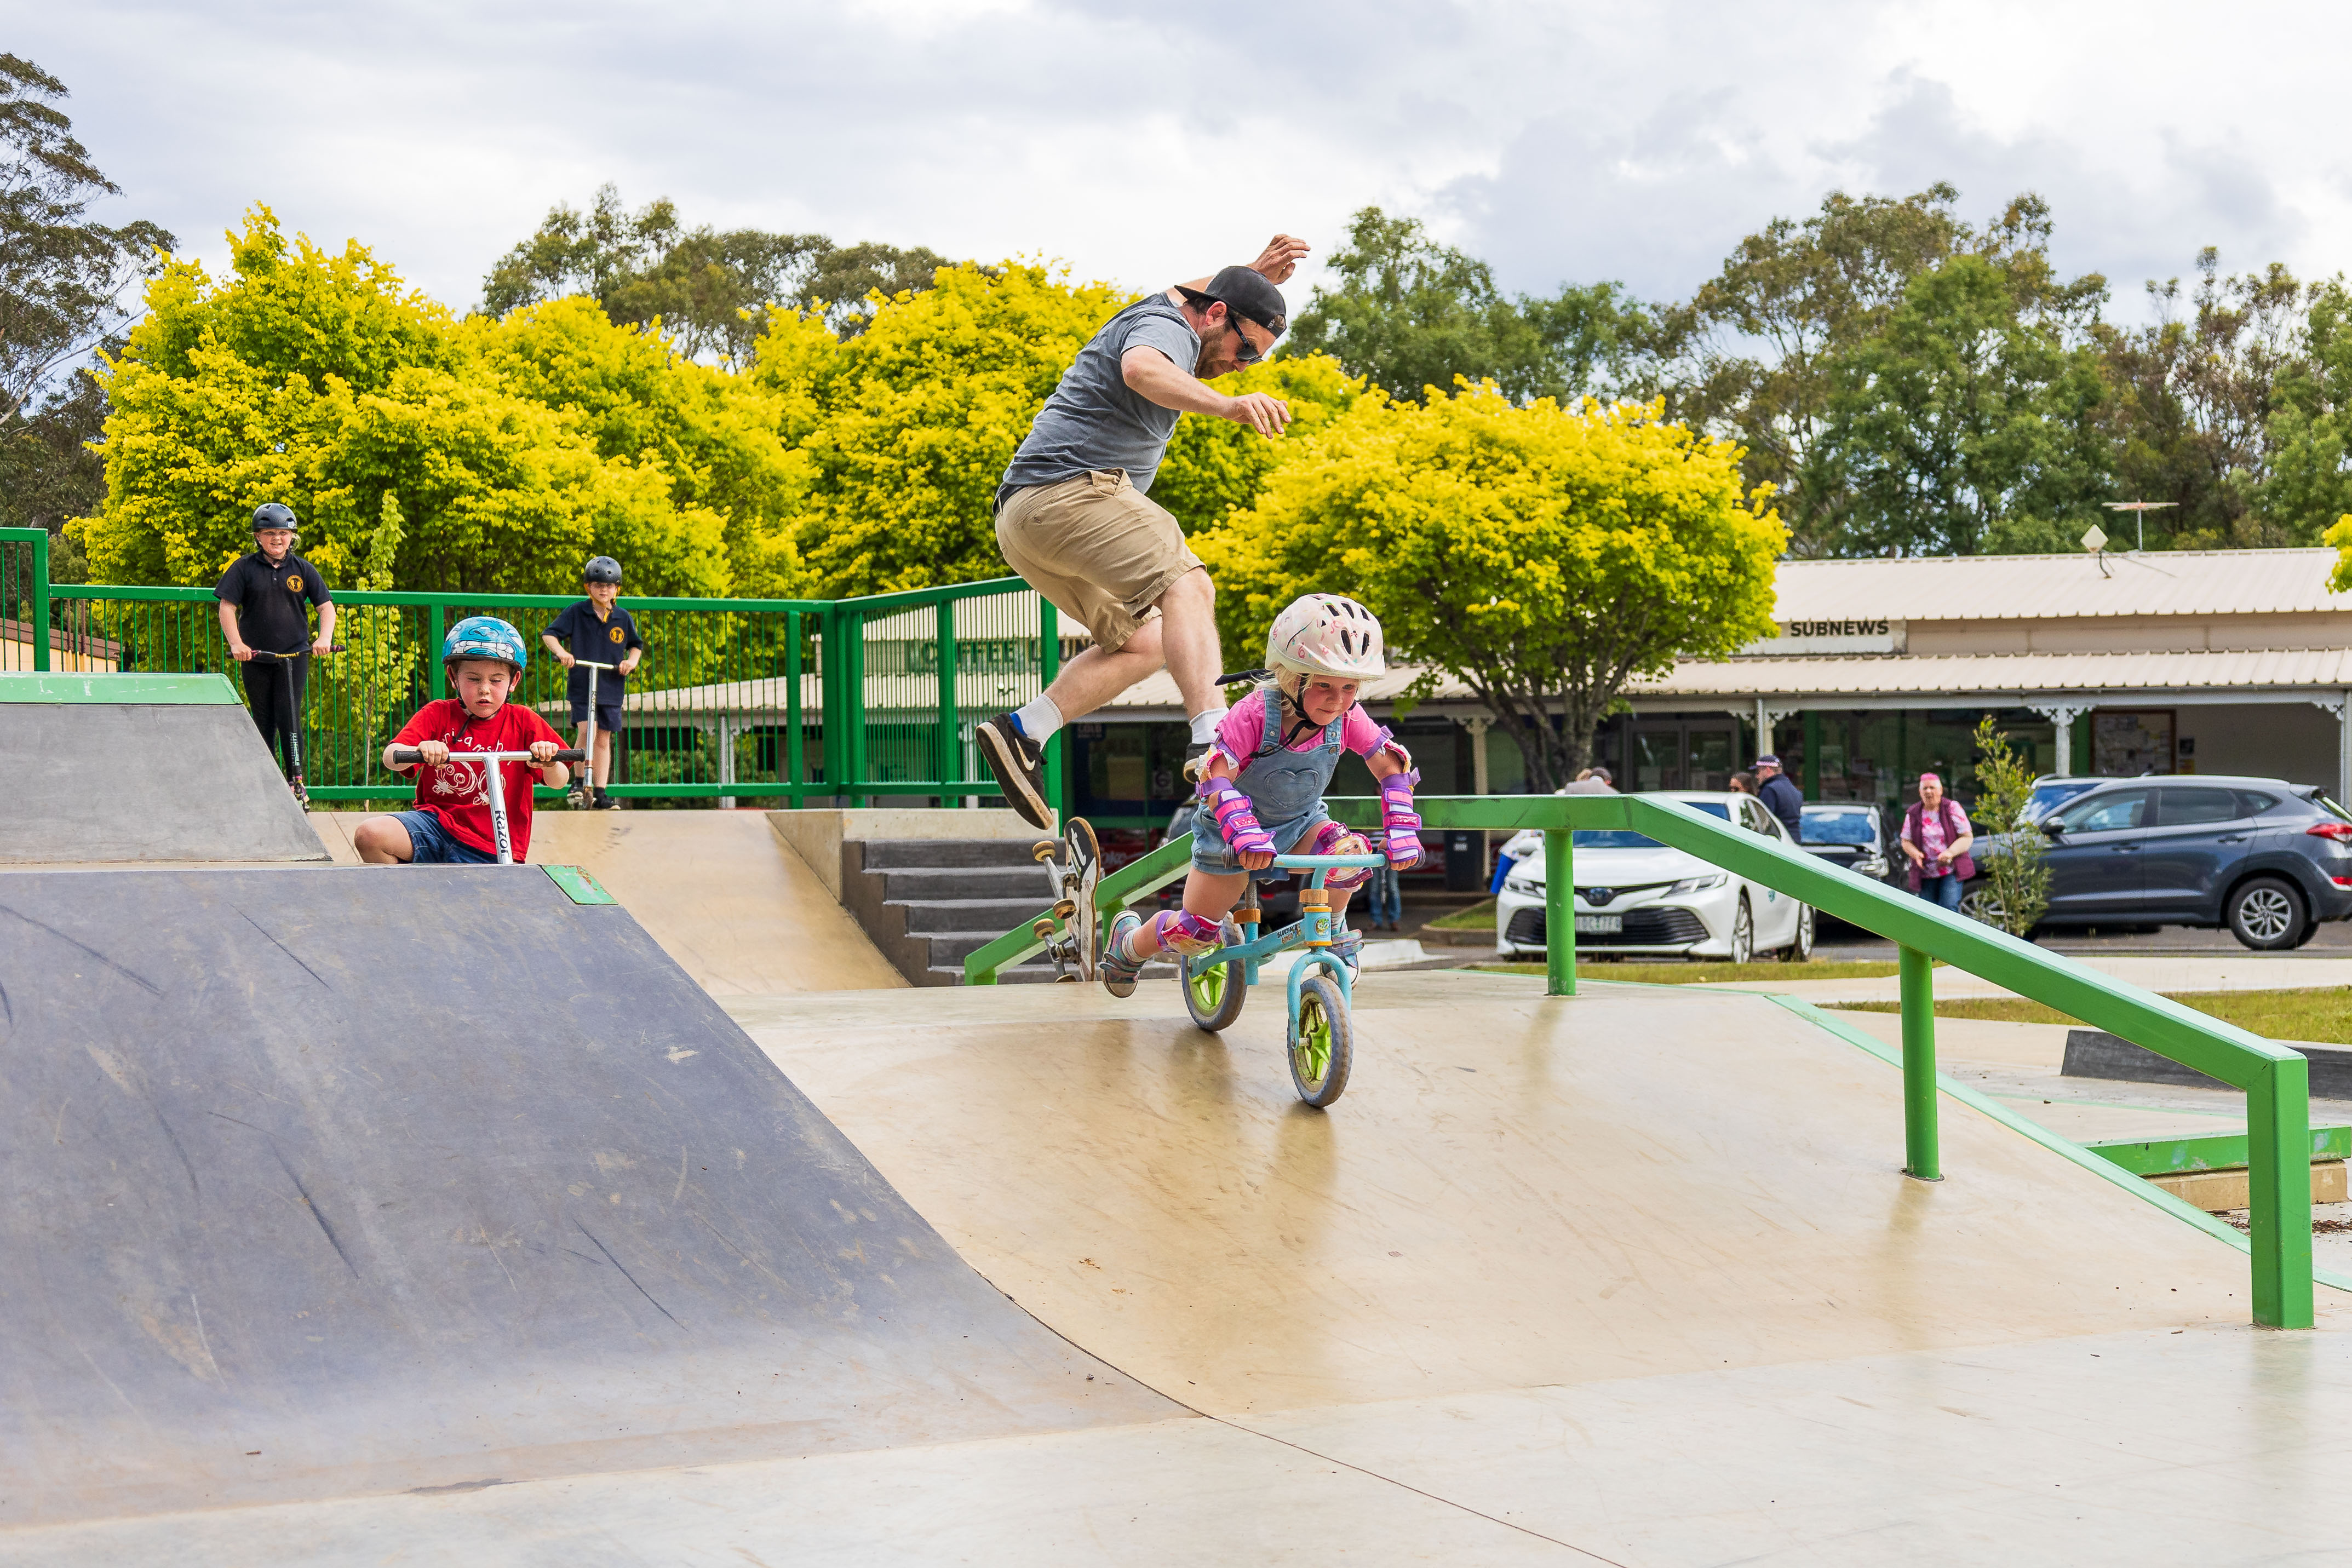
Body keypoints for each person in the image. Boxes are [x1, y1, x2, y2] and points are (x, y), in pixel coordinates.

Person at [975, 235, 1312, 829]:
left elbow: (1201, 298)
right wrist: (1230, 406)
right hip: (1070, 491)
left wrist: (1251, 275)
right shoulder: (1168, 331)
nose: (1241, 367)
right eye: (1246, 352)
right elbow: (1140, 368)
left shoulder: (1183, 313)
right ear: (1213, 316)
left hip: (1025, 522)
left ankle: (1024, 731)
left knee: (1151, 641)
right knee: (1188, 585)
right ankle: (1214, 738)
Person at [1098, 594, 1421, 996]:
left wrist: (1402, 828)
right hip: (1228, 834)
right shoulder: (1254, 714)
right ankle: (1129, 943)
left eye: (1349, 687)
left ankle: (1335, 932)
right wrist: (1243, 830)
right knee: (1195, 932)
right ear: (1291, 675)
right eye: (1323, 685)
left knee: (1344, 851)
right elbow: (1214, 775)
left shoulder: (1347, 716)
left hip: (1300, 823)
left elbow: (1391, 764)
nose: (1337, 699)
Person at [353, 617, 570, 865]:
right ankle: (406, 897)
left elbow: (559, 782)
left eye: (496, 680)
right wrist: (420, 748)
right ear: (453, 677)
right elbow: (392, 758)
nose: (485, 689)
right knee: (370, 835)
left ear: (514, 681)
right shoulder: (437, 713)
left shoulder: (523, 721)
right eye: (474, 679)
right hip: (435, 827)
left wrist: (550, 762)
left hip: (494, 844)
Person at [214, 502, 336, 806]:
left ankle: (296, 781)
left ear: (292, 536)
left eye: (284, 533)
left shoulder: (304, 569)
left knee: (289, 716)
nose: (278, 539)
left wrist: (324, 638)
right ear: (258, 537)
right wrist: (236, 644)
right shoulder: (244, 568)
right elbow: (227, 607)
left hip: (294, 657)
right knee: (263, 718)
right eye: (270, 533)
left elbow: (326, 608)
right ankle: (263, 780)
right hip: (255, 657)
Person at [541, 556, 644, 810]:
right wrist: (563, 654)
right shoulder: (578, 611)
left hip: (611, 683)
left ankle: (600, 792)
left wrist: (630, 662)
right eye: (598, 585)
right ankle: (578, 781)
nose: (604, 590)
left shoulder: (622, 617)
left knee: (604, 738)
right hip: (582, 682)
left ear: (617, 589)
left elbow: (635, 646)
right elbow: (549, 634)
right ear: (588, 587)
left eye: (609, 586)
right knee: (588, 730)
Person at [1900, 772, 1976, 911]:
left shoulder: (1952, 808)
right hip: (1926, 872)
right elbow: (1906, 841)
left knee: (1948, 906)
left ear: (1941, 791)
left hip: (1951, 868)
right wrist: (1916, 854)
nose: (1929, 792)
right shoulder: (1913, 813)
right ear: (1920, 792)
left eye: (1932, 788)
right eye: (1925, 788)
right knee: (1928, 911)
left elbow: (1967, 837)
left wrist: (1950, 853)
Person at [1754, 753, 1804, 838]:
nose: (1756, 776)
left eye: (1758, 771)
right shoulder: (1792, 789)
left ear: (1768, 770)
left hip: (1778, 840)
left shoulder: (1770, 790)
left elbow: (1764, 822)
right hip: (1794, 838)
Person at [1366, 841, 1405, 933]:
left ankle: (1394, 920)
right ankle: (1376, 920)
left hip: (1391, 848)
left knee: (1392, 886)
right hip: (1373, 849)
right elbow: (1364, 830)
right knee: (1374, 887)